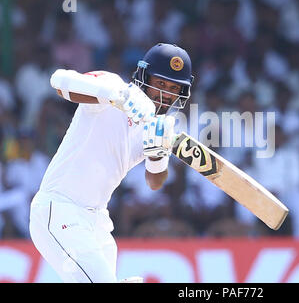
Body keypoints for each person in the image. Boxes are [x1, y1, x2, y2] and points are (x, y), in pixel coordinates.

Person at [29, 43, 194, 283]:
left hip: (98, 225)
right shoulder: (112, 85)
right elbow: (59, 81)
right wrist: (119, 98)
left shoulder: (159, 128)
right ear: (144, 76)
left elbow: (155, 181)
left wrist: (158, 152)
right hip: (60, 209)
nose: (165, 94)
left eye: (173, 88)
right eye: (160, 84)